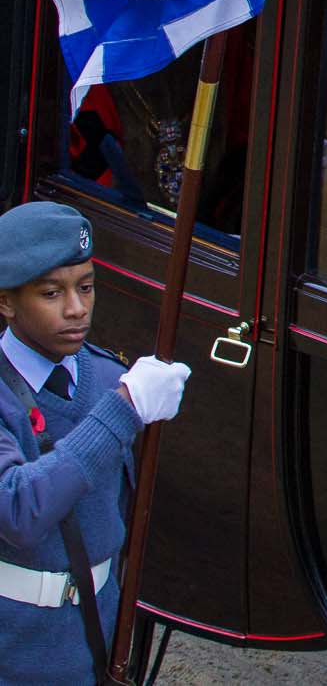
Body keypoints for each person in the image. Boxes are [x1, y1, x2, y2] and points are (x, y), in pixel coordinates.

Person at [0, 202, 189, 685]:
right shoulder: (119, 396)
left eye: (85, 287)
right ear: (5, 302)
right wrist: (124, 408)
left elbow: (124, 510)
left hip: (95, 639)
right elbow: (19, 510)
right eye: (51, 293)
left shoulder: (108, 375)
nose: (76, 308)